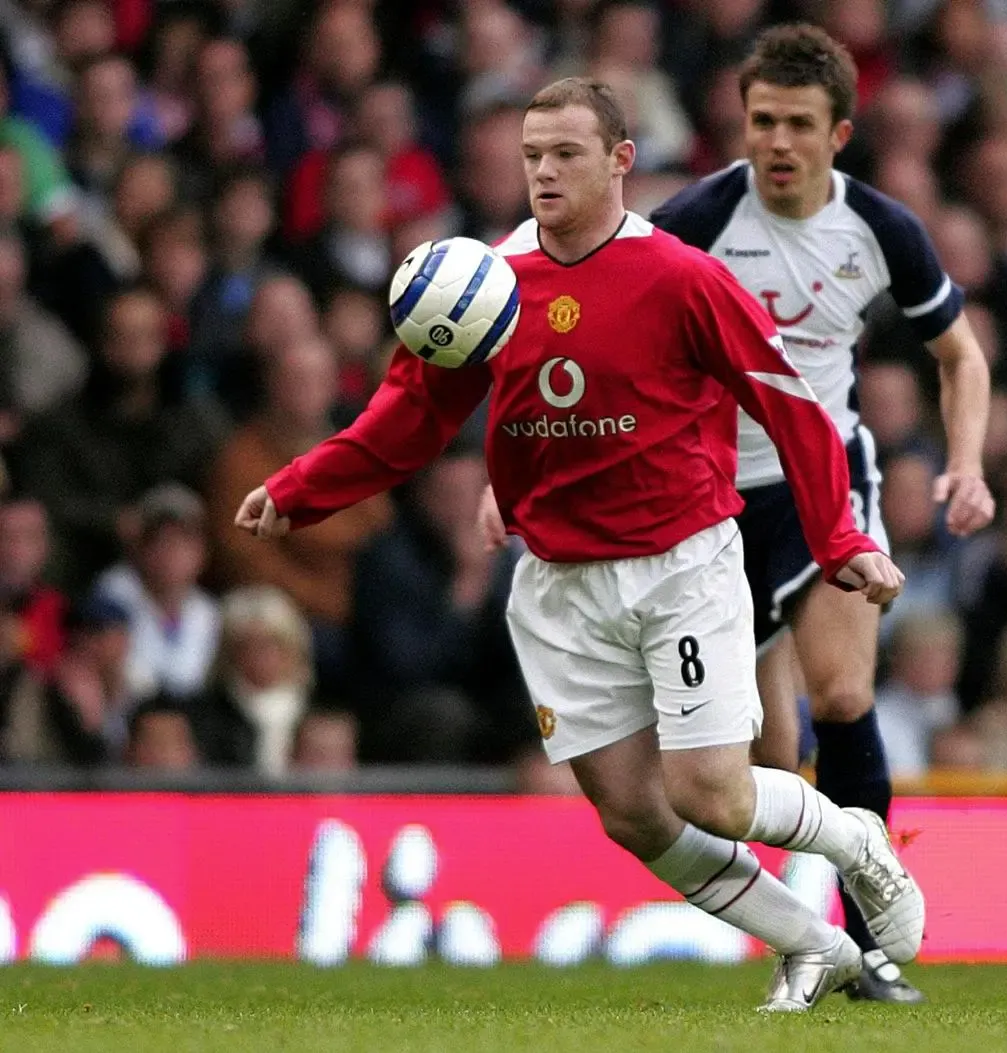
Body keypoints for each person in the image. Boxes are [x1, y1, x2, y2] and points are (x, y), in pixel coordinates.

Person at [236, 76, 922, 1013]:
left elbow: (792, 404)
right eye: (530, 156)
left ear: (620, 162)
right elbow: (406, 420)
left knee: (711, 796)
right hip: (557, 582)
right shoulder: (486, 284)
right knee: (635, 814)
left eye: (565, 154)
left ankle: (854, 842)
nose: (544, 173)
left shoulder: (681, 276)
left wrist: (838, 532)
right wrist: (298, 489)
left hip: (680, 563)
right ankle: (812, 944)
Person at [643, 24, 995, 1002]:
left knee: (840, 698)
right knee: (757, 757)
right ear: (741, 123)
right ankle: (810, 939)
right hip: (711, 501)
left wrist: (963, 464)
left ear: (837, 132)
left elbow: (959, 355)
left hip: (826, 485)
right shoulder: (691, 223)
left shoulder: (878, 229)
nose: (777, 142)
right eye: (761, 121)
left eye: (798, 123)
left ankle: (866, 941)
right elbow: (609, 335)